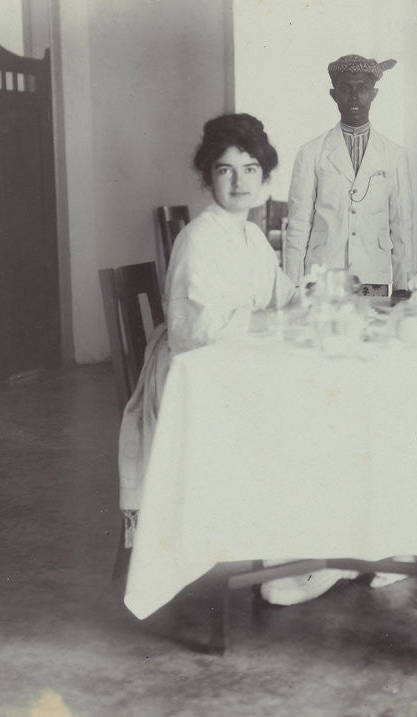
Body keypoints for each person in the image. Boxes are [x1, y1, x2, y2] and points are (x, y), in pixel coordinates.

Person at [117, 113, 297, 547]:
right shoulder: (198, 238)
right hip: (193, 373)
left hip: (231, 362)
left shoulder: (251, 235)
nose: (239, 182)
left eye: (250, 169)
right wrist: (272, 319)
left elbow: (283, 297)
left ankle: (297, 540)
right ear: (208, 178)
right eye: (225, 170)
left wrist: (315, 295)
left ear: (265, 176)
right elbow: (194, 330)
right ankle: (283, 549)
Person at [284, 54, 415, 294]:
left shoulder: (394, 155)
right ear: (334, 95)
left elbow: (402, 224)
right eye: (345, 89)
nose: (354, 97)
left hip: (374, 273)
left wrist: (403, 285)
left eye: (362, 89)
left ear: (374, 94)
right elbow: (298, 225)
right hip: (322, 275)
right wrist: (292, 286)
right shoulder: (311, 152)